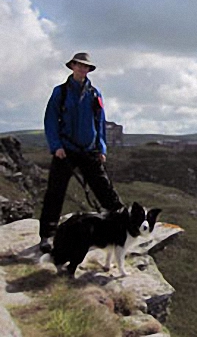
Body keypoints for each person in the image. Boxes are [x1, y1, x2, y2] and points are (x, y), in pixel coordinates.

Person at [39, 52, 124, 253]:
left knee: (104, 189)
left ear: (88, 69)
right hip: (65, 150)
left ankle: (122, 227)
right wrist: (56, 146)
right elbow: (50, 120)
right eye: (79, 65)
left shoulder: (95, 94)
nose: (82, 69)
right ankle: (47, 236)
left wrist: (101, 148)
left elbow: (100, 123)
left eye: (86, 66)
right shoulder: (60, 92)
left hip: (89, 150)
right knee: (55, 193)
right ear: (73, 66)